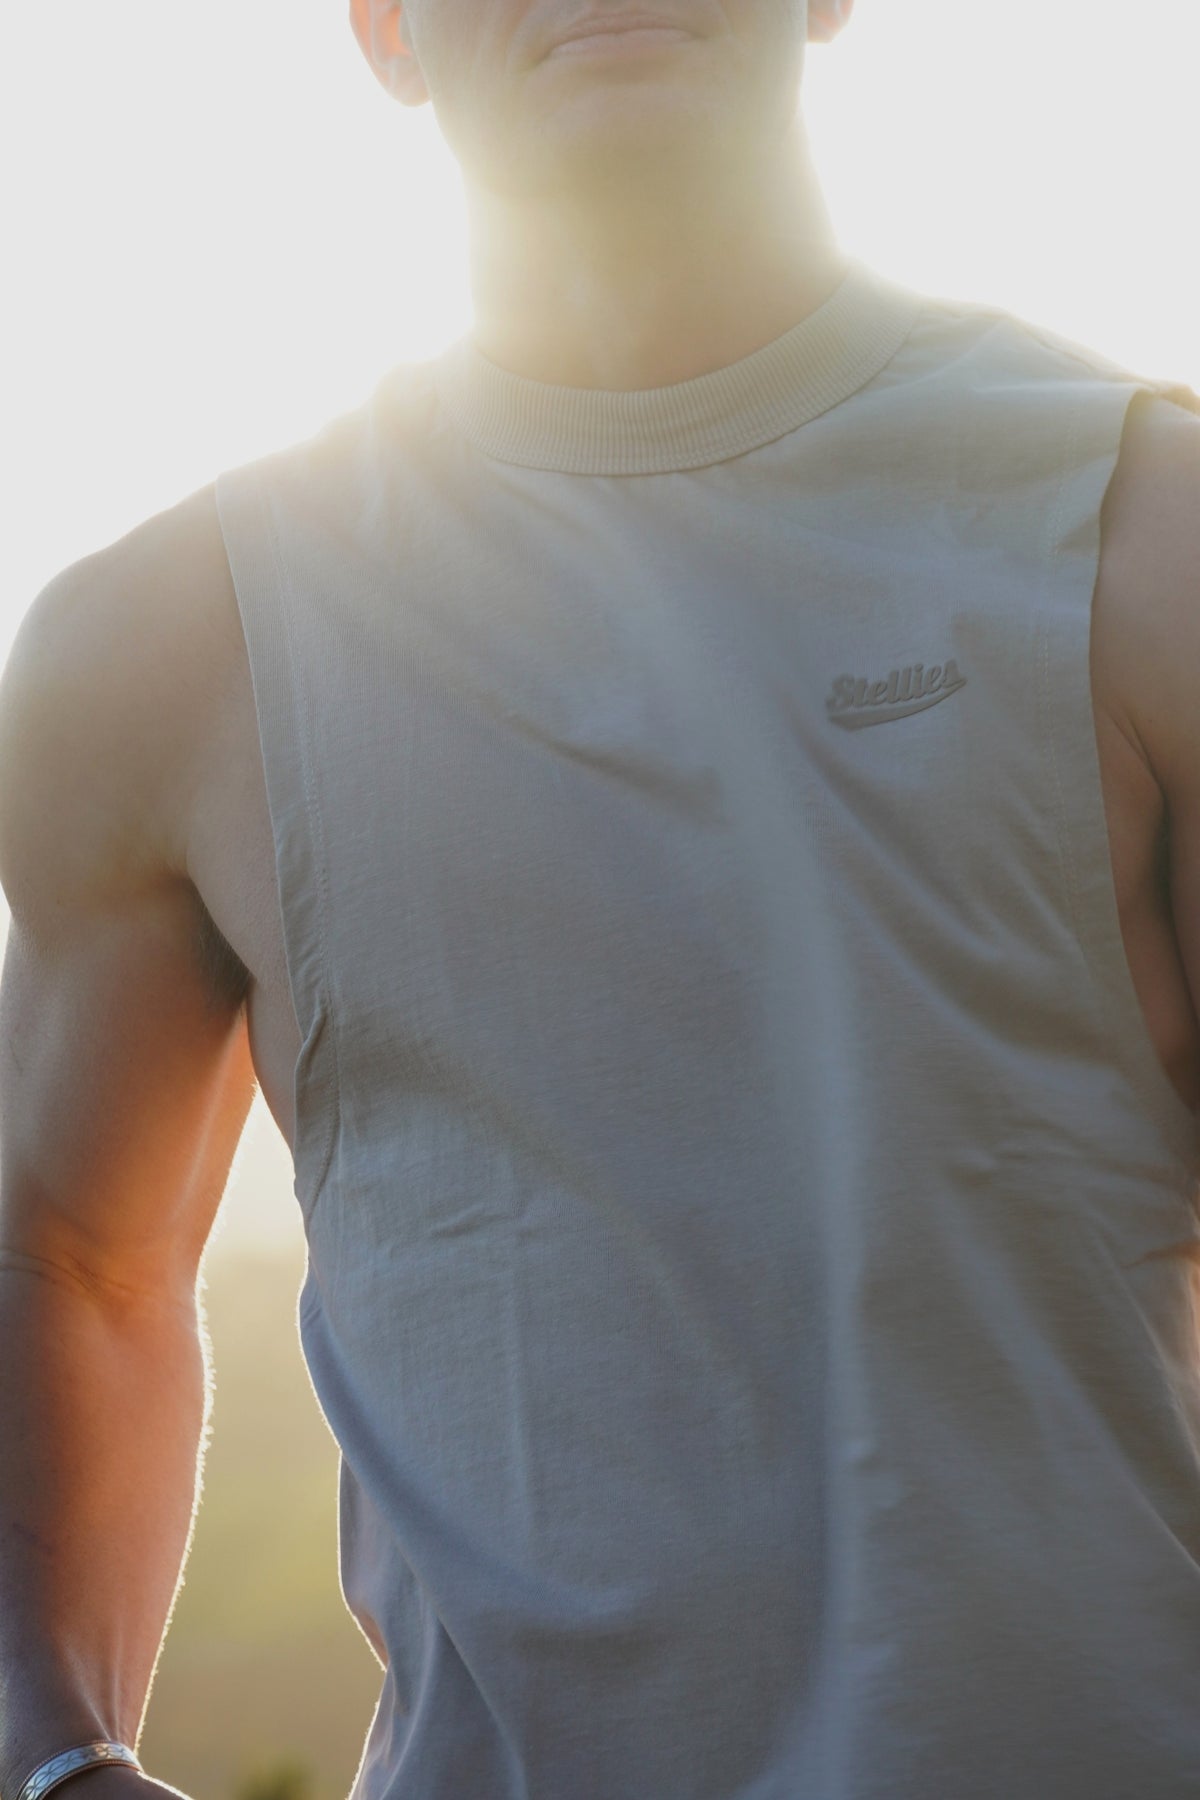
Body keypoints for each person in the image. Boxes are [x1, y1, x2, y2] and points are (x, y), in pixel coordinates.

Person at [2, 1, 1199, 1795]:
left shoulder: (1144, 534)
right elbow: (65, 1260)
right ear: (385, 27)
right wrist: (49, 1753)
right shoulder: (169, 647)